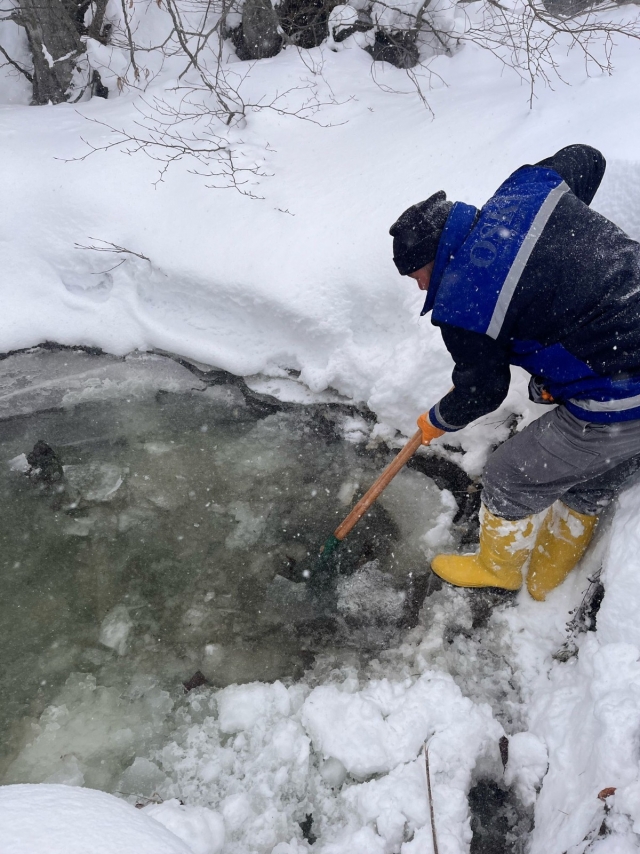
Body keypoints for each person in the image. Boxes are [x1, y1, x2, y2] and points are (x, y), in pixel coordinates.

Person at [389, 144, 640, 601]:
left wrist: (437, 421)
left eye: (416, 275)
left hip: (624, 395)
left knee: (509, 474)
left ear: (434, 255)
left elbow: (483, 391)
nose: (421, 286)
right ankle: (548, 581)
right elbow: (589, 158)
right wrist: (562, 241)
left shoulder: (463, 302)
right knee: (594, 476)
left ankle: (498, 570)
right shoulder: (526, 190)